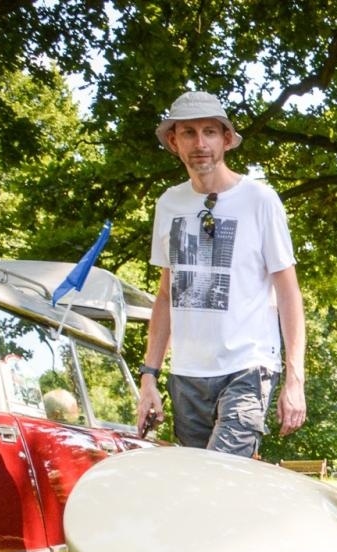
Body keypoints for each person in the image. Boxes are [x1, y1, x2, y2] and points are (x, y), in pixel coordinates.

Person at [135, 90, 306, 455]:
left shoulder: (259, 200)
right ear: (173, 141)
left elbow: (289, 292)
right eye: (189, 133)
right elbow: (166, 294)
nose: (200, 143)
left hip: (247, 367)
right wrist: (149, 377)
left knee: (221, 470)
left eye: (209, 132)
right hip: (188, 374)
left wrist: (295, 379)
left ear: (226, 139)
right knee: (199, 480)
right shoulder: (169, 203)